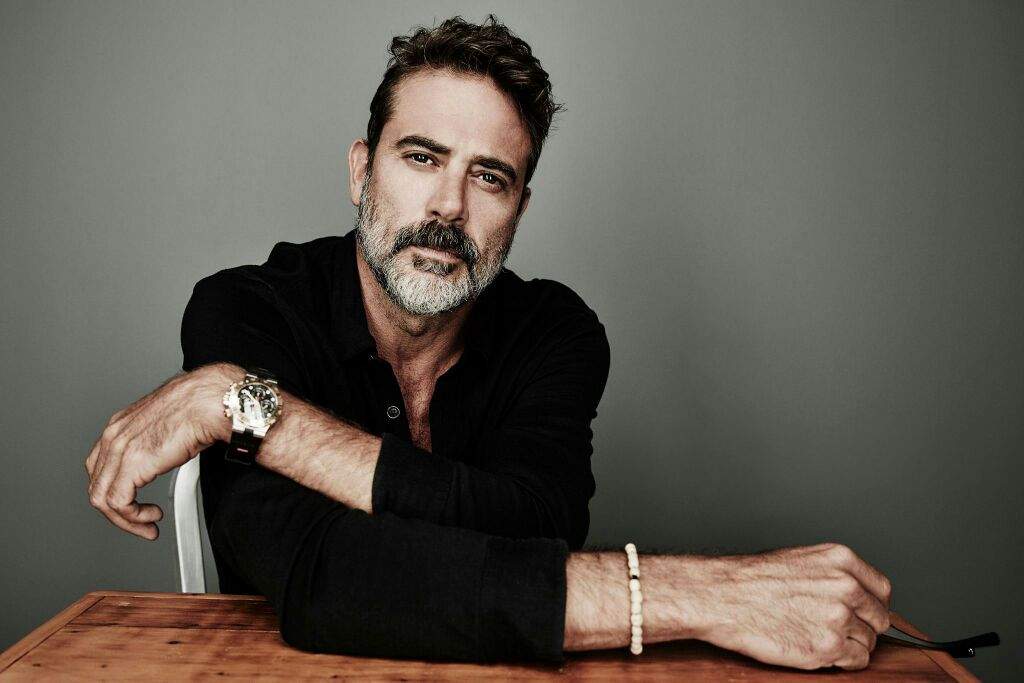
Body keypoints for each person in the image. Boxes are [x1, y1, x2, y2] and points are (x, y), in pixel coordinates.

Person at [85, 14, 892, 671]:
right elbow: (323, 579)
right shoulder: (248, 312)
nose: (449, 205)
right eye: (421, 157)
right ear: (362, 173)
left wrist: (243, 408)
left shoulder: (556, 332)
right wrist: (710, 595)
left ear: (520, 208)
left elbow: (536, 523)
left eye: (490, 176)